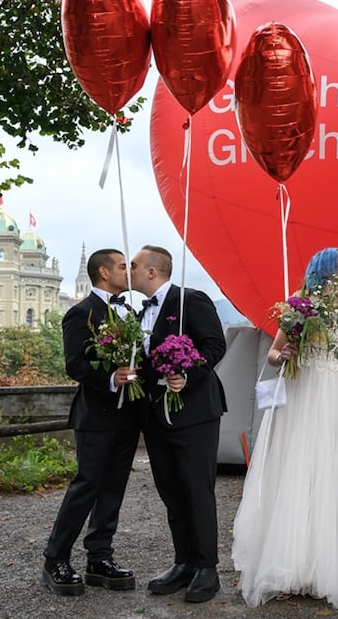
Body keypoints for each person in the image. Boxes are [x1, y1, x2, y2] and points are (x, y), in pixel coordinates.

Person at [231, 247, 338, 608]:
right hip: (304, 394)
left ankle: (319, 563)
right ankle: (286, 562)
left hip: (334, 394)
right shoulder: (301, 304)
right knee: (297, 470)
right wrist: (282, 355)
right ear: (328, 268)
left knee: (326, 473)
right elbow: (273, 351)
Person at [42, 248, 143, 596]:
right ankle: (55, 558)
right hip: (96, 416)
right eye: (121, 266)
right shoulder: (80, 314)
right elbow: (74, 365)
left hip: (127, 417)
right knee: (86, 486)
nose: (128, 272)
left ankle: (100, 557)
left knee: (114, 488)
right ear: (102, 272)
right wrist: (112, 377)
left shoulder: (129, 312)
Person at [131, 245, 228, 604]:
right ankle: (183, 562)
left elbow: (215, 346)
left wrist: (187, 372)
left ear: (153, 272)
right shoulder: (137, 312)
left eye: (135, 265)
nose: (130, 270)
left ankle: (207, 568)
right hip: (154, 413)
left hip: (195, 412)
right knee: (170, 490)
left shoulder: (192, 300)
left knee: (196, 489)